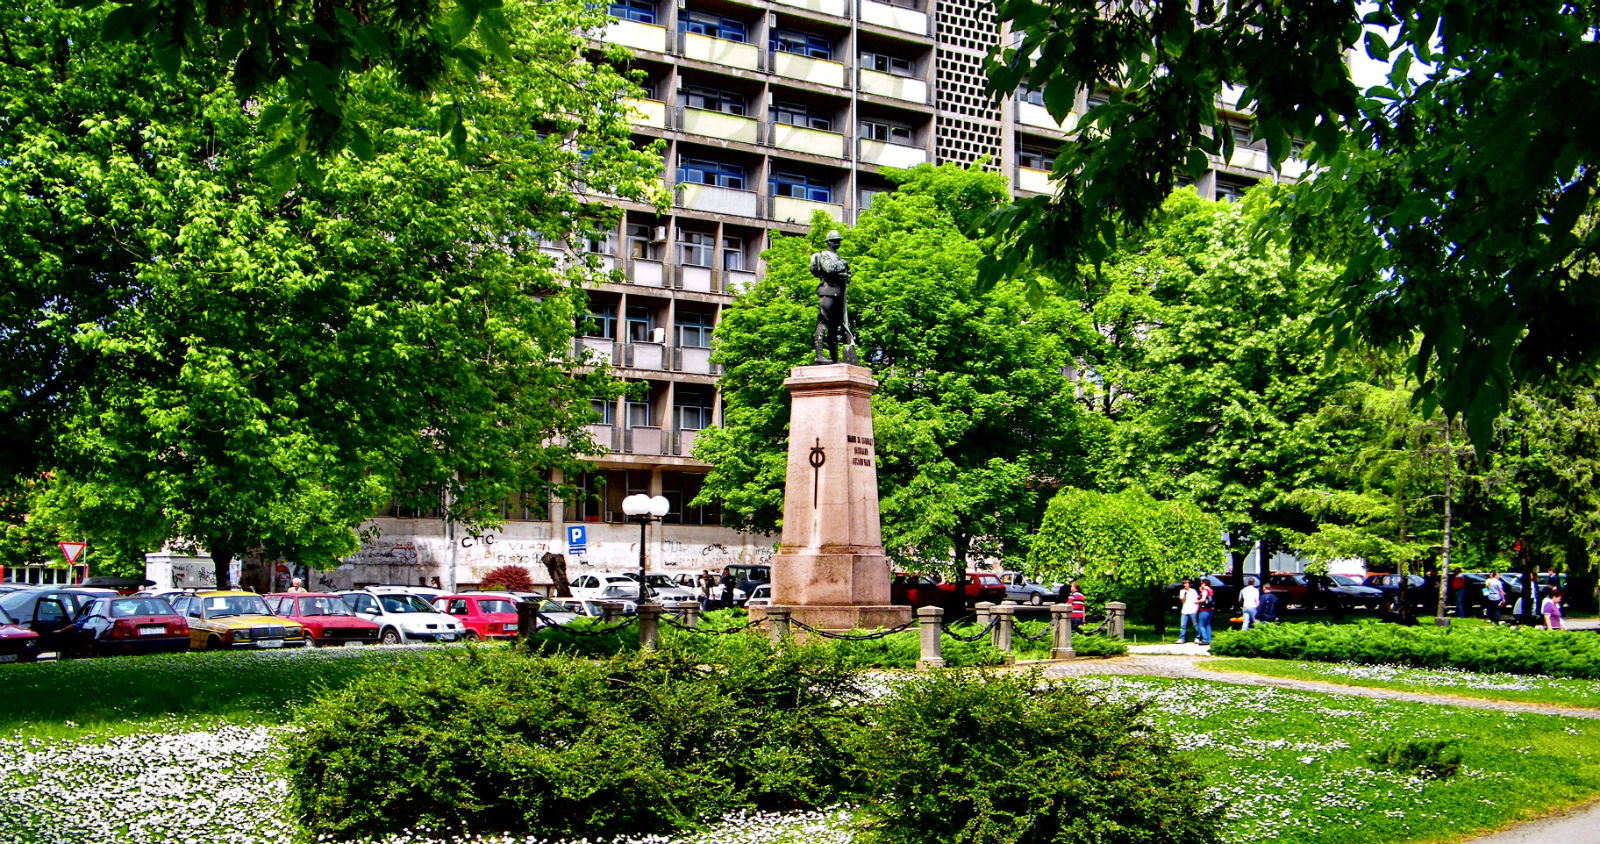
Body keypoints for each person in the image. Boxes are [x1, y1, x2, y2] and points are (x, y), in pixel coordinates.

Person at [809, 231, 856, 364]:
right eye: (835, 241)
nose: (838, 243)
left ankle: (834, 358)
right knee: (824, 321)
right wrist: (844, 264)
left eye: (839, 241)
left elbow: (848, 275)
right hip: (828, 291)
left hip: (839, 294)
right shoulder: (825, 255)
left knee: (835, 327)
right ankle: (819, 355)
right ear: (829, 242)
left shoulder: (838, 257)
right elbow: (829, 269)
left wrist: (846, 274)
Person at [1177, 579, 1200, 644]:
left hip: (1192, 609)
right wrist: (1184, 595)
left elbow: (1197, 600)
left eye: (1186, 584)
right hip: (1185, 610)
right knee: (1183, 625)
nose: (1185, 585)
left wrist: (1196, 609)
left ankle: (1197, 637)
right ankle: (1182, 638)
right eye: (1184, 584)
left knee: (1195, 625)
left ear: (1189, 584)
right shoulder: (1182, 591)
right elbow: (1182, 601)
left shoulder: (1193, 591)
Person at [1196, 580, 1216, 645]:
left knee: (1201, 625)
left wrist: (1197, 601)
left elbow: (1203, 599)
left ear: (1204, 584)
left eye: (1201, 583)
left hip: (1204, 609)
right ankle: (1209, 639)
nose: (1201, 585)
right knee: (1208, 624)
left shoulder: (1205, 591)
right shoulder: (1210, 590)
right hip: (1210, 609)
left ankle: (1205, 639)